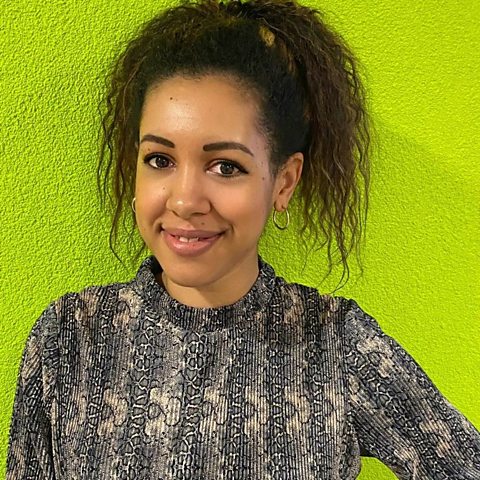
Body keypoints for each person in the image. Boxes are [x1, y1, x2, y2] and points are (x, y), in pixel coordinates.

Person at [6, 0, 480, 478]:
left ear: (283, 182)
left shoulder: (336, 345)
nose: (185, 200)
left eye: (226, 166)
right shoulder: (69, 338)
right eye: (159, 160)